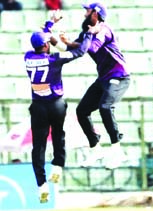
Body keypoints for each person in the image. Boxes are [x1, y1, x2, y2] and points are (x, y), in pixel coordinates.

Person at [25, 14, 95, 203]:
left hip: (38, 107)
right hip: (56, 105)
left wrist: (50, 24)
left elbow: (41, 37)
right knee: (58, 134)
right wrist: (88, 35)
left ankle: (41, 185)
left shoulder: (28, 57)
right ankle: (58, 165)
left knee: (38, 146)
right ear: (47, 45)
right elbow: (79, 52)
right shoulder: (54, 59)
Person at [59, 2, 130, 169]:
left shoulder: (103, 29)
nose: (85, 15)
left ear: (96, 14)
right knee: (82, 111)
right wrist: (59, 41)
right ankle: (96, 149)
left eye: (87, 11)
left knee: (105, 107)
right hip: (104, 78)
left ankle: (117, 151)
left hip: (119, 76)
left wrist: (87, 36)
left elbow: (91, 48)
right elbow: (75, 49)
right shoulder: (88, 32)